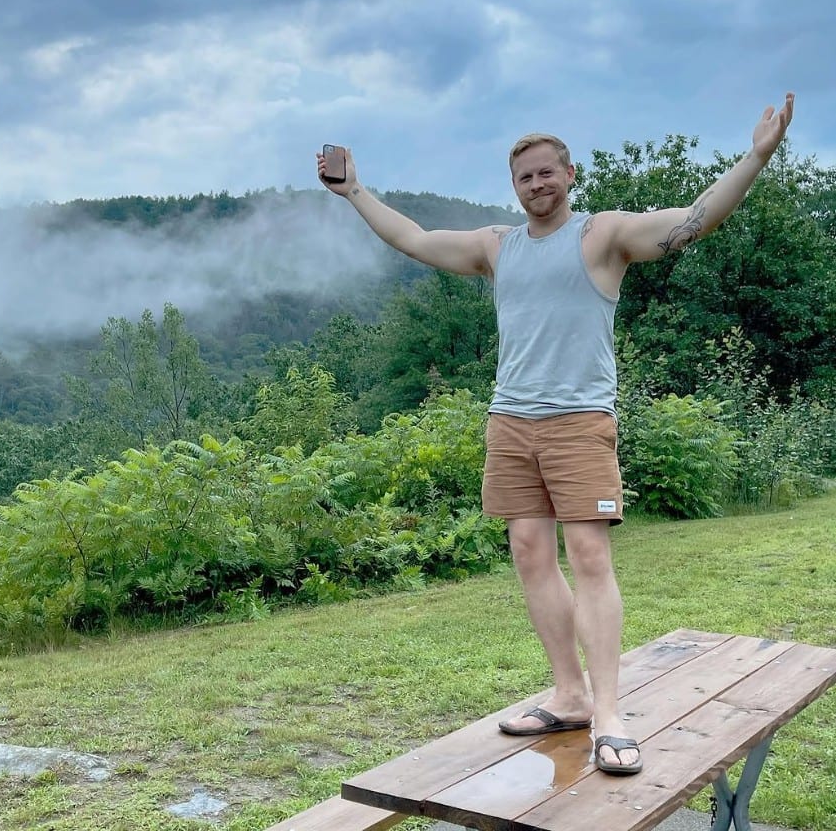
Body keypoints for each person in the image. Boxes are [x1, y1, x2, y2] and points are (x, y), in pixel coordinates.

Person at [316, 93, 795, 775]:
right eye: (524, 177)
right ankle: (568, 695)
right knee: (530, 554)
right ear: (513, 187)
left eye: (547, 172)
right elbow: (411, 238)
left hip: (577, 423)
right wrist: (353, 190)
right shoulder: (497, 247)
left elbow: (693, 222)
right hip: (510, 423)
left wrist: (755, 157)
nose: (537, 184)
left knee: (589, 559)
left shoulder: (601, 236)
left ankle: (607, 713)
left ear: (569, 175)